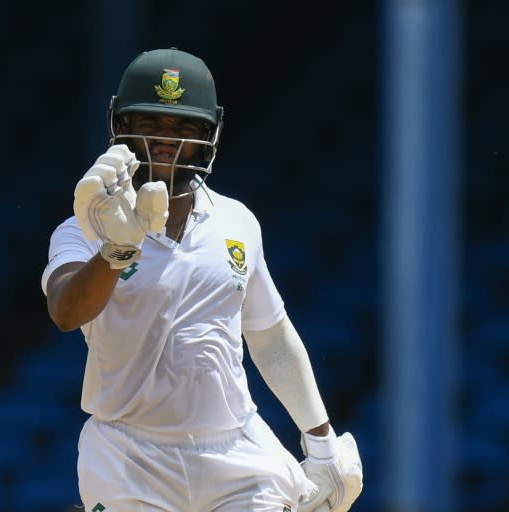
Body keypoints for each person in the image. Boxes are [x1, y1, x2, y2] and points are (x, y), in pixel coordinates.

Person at [41, 47, 363, 512]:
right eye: (149, 125)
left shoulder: (237, 223)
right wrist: (116, 249)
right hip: (128, 457)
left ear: (209, 136)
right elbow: (66, 312)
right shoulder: (82, 229)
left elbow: (270, 336)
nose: (164, 143)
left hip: (235, 452)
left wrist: (322, 442)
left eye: (182, 129)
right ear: (120, 128)